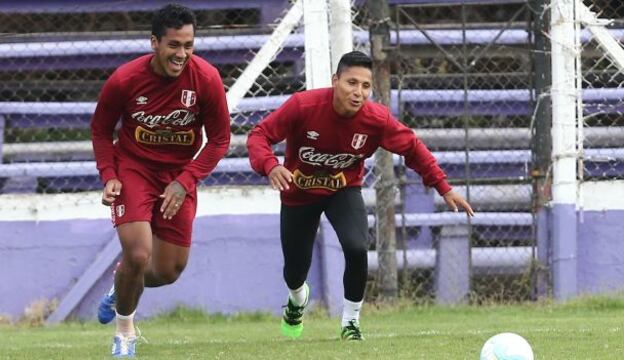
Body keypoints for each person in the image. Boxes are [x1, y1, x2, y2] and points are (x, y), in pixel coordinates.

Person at [247, 50, 474, 341]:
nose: (358, 92)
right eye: (351, 83)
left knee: (356, 248)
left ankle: (350, 323)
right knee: (295, 271)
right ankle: (296, 299)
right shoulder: (304, 106)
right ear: (335, 81)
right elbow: (259, 135)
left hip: (343, 191)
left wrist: (444, 187)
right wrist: (270, 165)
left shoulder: (375, 120)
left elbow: (412, 148)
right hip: (298, 195)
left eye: (366, 86)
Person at [91, 3, 230, 357]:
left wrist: (185, 181)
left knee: (168, 271)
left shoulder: (207, 80)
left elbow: (219, 140)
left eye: (188, 45)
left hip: (178, 177)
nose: (181, 54)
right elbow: (101, 131)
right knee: (138, 254)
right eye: (173, 45)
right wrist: (109, 175)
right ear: (154, 42)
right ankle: (125, 334)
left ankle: (119, 287)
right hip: (133, 169)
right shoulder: (124, 80)